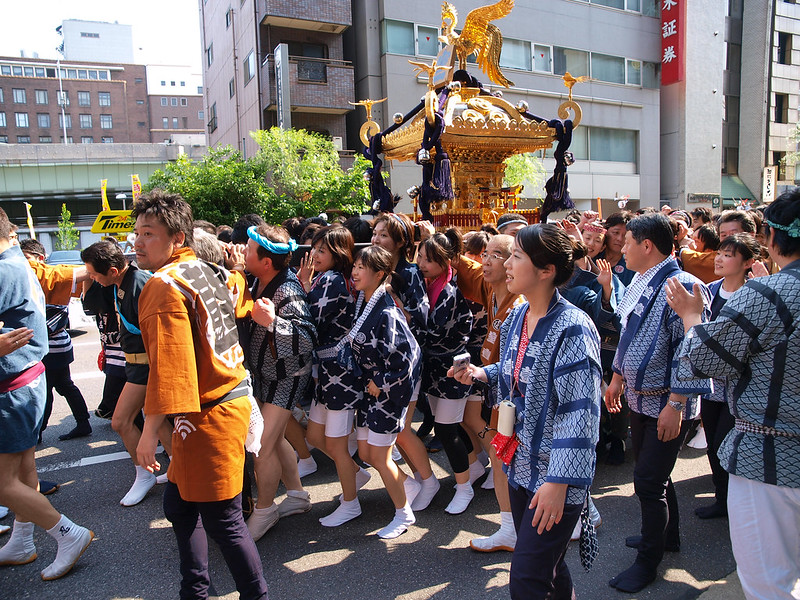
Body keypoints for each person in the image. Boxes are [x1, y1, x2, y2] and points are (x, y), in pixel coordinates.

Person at [451, 224, 601, 599]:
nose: (506, 265)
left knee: (526, 579)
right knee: (548, 567)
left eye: (516, 256)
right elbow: (519, 369)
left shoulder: (573, 329)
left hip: (553, 477)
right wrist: (480, 373)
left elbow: (579, 413)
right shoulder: (519, 317)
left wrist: (559, 483)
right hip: (521, 465)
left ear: (546, 270)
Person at [131, 190, 268, 600]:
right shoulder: (207, 270)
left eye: (149, 234)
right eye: (136, 233)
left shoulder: (163, 284)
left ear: (177, 239)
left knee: (224, 519)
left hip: (207, 414)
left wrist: (148, 431)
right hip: (230, 402)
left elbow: (171, 371)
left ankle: (250, 595)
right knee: (180, 506)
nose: (137, 242)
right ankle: (195, 590)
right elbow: (240, 288)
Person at [667, 189, 800, 600]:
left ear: (771, 240)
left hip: (773, 458)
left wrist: (691, 316)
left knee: (768, 581)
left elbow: (705, 359)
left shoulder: (769, 294)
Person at [605, 213, 713, 593]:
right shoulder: (641, 280)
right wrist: (618, 375)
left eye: (627, 240)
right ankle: (668, 537)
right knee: (657, 477)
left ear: (647, 245)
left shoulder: (685, 285)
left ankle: (648, 562)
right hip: (640, 397)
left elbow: (693, 347)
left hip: (667, 404)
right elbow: (629, 331)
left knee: (648, 482)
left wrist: (679, 402)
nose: (621, 246)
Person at [0, 208, 94, 580]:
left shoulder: (7, 268)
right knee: (23, 474)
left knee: (4, 483)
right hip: (26, 379)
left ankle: (67, 534)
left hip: (14, 386)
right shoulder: (18, 264)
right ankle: (23, 541)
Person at [81, 240, 174, 506]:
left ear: (112, 270)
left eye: (94, 274)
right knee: (160, 421)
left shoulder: (139, 283)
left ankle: (144, 475)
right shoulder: (123, 281)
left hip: (146, 366)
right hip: (134, 364)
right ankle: (176, 467)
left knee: (120, 421)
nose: (91, 278)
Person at [244, 224, 316, 541]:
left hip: (286, 377)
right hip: (266, 374)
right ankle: (298, 495)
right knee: (277, 439)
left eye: (247, 249)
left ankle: (265, 510)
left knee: (261, 446)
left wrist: (273, 322)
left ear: (266, 262)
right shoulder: (257, 279)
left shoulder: (288, 291)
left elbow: (307, 339)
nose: (242, 251)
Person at [453, 233, 523, 552]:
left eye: (497, 254)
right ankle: (583, 512)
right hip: (500, 396)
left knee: (504, 457)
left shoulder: (519, 305)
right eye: (486, 253)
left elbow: (514, 368)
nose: (487, 259)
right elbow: (459, 262)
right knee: (505, 458)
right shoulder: (491, 290)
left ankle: (511, 529)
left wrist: (481, 373)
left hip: (512, 401)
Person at [299, 227, 371, 527]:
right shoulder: (336, 278)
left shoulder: (330, 280)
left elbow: (310, 319)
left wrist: (303, 288)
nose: (314, 254)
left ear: (337, 255)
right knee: (316, 436)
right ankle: (356, 474)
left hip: (339, 373)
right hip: (331, 371)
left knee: (336, 444)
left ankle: (350, 503)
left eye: (322, 251)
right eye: (314, 248)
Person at [349, 246, 423, 538]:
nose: (355, 272)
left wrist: (380, 380)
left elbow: (409, 359)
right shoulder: (365, 302)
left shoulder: (388, 312)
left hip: (388, 394)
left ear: (379, 274)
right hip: (371, 392)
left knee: (380, 457)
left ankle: (404, 514)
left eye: (361, 267)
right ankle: (408, 485)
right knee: (367, 452)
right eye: (354, 265)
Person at [370, 213, 440, 511]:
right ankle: (420, 480)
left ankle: (429, 480)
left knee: (401, 428)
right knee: (397, 429)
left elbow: (422, 317)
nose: (376, 239)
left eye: (384, 235)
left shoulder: (409, 273)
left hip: (405, 363)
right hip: (383, 363)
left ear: (400, 242)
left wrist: (392, 301)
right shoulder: (374, 267)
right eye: (375, 233)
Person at [694, 233, 760, 521]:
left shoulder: (755, 294)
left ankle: (736, 501)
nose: (719, 259)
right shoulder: (708, 290)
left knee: (726, 442)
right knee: (712, 441)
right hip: (710, 385)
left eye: (729, 255)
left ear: (748, 263)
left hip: (738, 386)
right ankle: (722, 498)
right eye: (719, 252)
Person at [416, 229, 477, 514]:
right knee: (448, 425)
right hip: (434, 369)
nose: (422, 263)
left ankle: (464, 487)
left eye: (429, 259)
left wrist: (407, 313)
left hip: (453, 370)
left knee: (445, 428)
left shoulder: (450, 291)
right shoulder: (428, 285)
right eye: (420, 257)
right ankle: (474, 467)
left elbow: (435, 329)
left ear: (444, 261)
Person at [19, 240, 92, 442]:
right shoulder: (34, 280)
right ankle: (82, 422)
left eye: (26, 258)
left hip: (54, 347)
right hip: (56, 347)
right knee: (63, 386)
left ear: (40, 259)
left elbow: (51, 320)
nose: (24, 264)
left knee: (48, 389)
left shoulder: (51, 279)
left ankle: (39, 431)